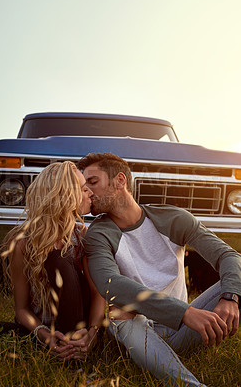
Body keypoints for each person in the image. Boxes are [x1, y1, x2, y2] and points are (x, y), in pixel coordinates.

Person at [78, 153, 241, 387]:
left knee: (237, 277)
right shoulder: (98, 234)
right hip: (138, 333)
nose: (89, 192)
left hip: (184, 329)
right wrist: (185, 312)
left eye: (93, 182)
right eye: (85, 186)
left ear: (120, 181)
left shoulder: (173, 219)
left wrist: (230, 297)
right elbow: (109, 283)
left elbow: (228, 255)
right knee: (119, 314)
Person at [0, 161, 105, 361]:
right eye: (82, 188)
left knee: (59, 259)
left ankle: (74, 350)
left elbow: (98, 295)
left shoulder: (84, 236)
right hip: (45, 328)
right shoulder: (22, 244)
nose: (90, 192)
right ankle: (56, 348)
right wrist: (43, 334)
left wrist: (93, 333)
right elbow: (21, 309)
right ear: (65, 197)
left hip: (80, 323)